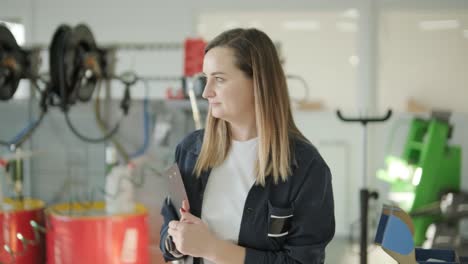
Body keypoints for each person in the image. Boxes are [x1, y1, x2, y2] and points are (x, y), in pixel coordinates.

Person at [159, 28, 335, 264]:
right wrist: (176, 243)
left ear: (257, 83)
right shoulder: (191, 150)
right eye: (205, 78)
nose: (206, 92)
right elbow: (168, 226)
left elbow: (302, 261)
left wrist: (212, 248)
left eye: (219, 79)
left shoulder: (306, 167)